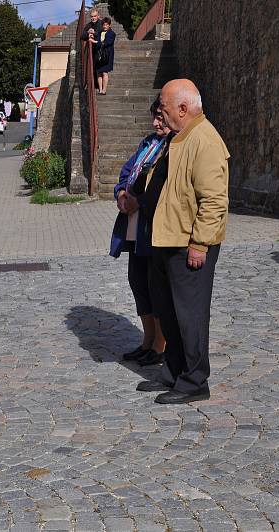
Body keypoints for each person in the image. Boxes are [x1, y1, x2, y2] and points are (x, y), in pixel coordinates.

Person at [136, 79, 229, 404]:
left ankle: (194, 381)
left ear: (183, 109)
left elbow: (215, 201)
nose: (160, 112)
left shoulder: (204, 140)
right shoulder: (180, 137)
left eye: (164, 107)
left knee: (189, 315)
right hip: (166, 241)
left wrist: (200, 244)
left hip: (188, 244)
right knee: (169, 312)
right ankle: (174, 372)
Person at [110, 97, 169, 367]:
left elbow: (159, 184)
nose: (156, 122)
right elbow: (126, 172)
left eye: (160, 116)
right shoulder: (147, 143)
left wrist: (138, 200)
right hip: (133, 227)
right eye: (154, 117)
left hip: (152, 227)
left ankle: (160, 344)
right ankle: (147, 340)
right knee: (138, 283)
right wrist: (121, 193)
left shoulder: (172, 147)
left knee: (154, 287)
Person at [90, 17, 115, 94]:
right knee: (99, 73)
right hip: (99, 55)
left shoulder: (112, 33)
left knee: (105, 72)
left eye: (106, 25)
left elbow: (106, 43)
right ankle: (100, 90)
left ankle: (104, 90)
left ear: (109, 25)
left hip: (107, 55)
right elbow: (96, 35)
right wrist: (92, 34)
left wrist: (95, 42)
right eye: (103, 25)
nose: (104, 26)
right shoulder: (100, 32)